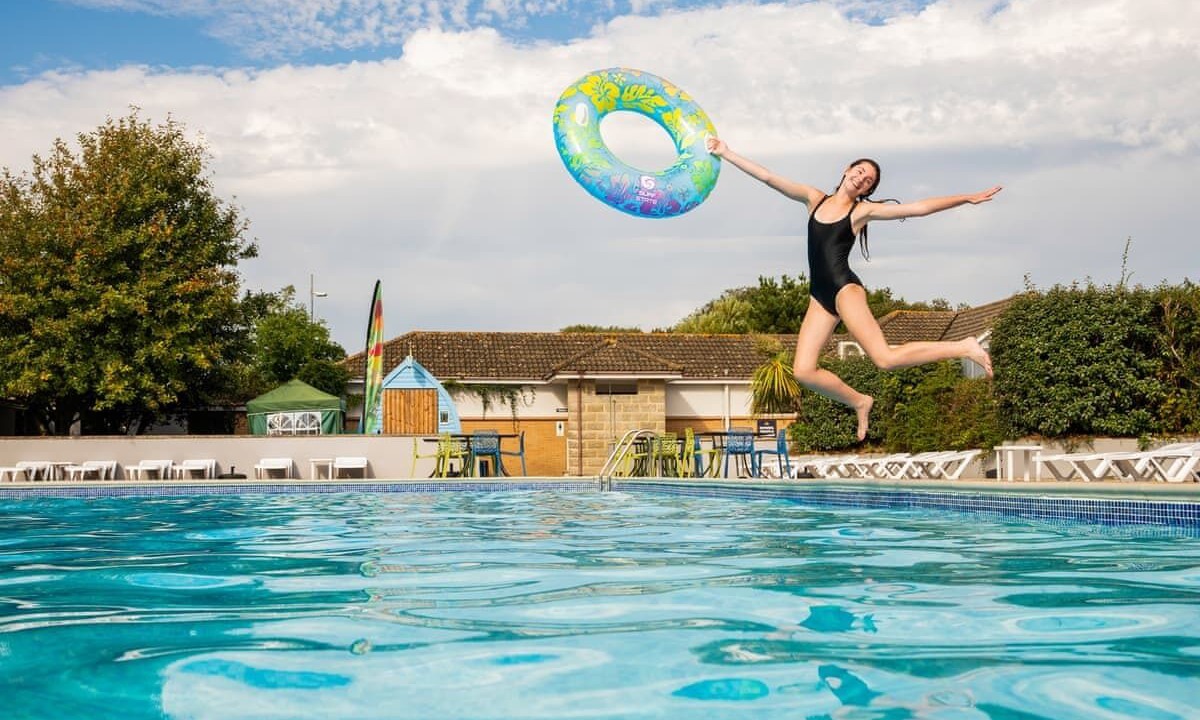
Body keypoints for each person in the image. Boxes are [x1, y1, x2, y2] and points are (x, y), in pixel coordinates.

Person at [706, 137, 1001, 441]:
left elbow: (919, 208)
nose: (862, 178)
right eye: (860, 171)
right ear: (847, 170)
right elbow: (768, 177)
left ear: (867, 191)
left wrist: (966, 198)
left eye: (868, 181)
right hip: (819, 296)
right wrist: (726, 153)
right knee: (804, 371)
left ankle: (964, 346)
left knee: (884, 358)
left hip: (844, 289)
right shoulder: (813, 198)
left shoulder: (861, 213)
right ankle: (859, 400)